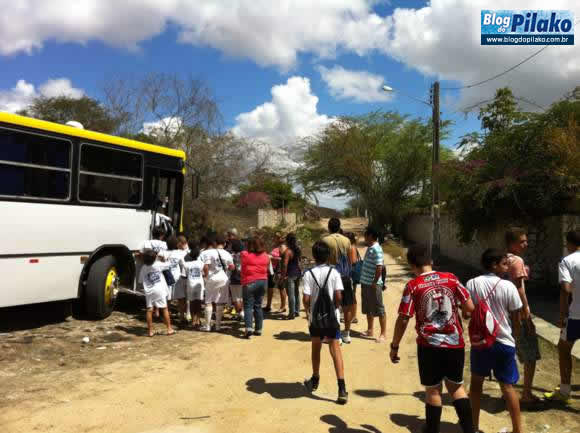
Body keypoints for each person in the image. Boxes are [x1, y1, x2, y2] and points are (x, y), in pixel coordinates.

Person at [390, 244, 475, 433]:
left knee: (433, 390)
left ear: (412, 265)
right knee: (457, 388)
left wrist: (394, 345)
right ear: (431, 260)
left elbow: (403, 318)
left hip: (429, 346)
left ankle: (432, 430)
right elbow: (470, 307)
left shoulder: (413, 286)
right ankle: (470, 430)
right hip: (454, 343)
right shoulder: (451, 278)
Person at [466, 249, 523, 433]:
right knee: (508, 387)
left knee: (476, 385)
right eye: (504, 264)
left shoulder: (472, 283)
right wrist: (516, 337)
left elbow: (466, 312)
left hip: (480, 342)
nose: (507, 267)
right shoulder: (508, 287)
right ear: (494, 265)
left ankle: (474, 427)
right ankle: (518, 430)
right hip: (504, 342)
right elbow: (516, 317)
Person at [303, 241, 348, 405]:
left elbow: (306, 299)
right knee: (335, 349)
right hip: (331, 318)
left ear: (314, 256)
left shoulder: (308, 274)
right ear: (328, 256)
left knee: (316, 347)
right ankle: (341, 388)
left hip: (316, 318)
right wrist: (335, 309)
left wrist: (309, 311)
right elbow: (339, 297)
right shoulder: (334, 273)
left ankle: (315, 379)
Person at [505, 227, 541, 405]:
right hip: (518, 311)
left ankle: (508, 391)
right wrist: (526, 312)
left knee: (509, 351)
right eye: (522, 241)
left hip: (505, 312)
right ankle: (526, 393)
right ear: (513, 243)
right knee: (530, 354)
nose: (526, 244)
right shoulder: (517, 260)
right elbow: (519, 289)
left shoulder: (503, 259)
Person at [545, 230, 580, 403]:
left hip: (575, 316)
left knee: (564, 349)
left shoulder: (567, 261)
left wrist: (562, 316)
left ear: (569, 243)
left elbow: (566, 289)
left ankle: (565, 391)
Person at [322, 218, 356, 344]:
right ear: (339, 227)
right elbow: (351, 260)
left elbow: (322, 259)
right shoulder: (347, 240)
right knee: (347, 307)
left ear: (329, 227)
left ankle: (335, 335)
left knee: (332, 306)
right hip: (345, 277)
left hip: (331, 276)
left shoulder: (325, 240)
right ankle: (346, 333)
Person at [138, 249, 175, 337]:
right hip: (159, 289)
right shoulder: (158, 264)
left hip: (149, 291)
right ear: (154, 258)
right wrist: (164, 258)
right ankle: (169, 329)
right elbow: (169, 264)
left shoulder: (143, 268)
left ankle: (150, 331)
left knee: (149, 310)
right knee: (164, 308)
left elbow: (140, 281)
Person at [360, 226, 387, 342]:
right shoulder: (370, 247)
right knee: (368, 308)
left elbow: (379, 267)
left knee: (379, 309)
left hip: (373, 285)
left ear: (370, 236)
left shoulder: (376, 249)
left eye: (365, 235)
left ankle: (383, 334)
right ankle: (370, 330)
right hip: (366, 283)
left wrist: (375, 282)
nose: (364, 237)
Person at [202, 235, 234, 331]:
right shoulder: (228, 254)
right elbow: (232, 267)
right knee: (220, 302)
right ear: (224, 244)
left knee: (208, 302)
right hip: (224, 279)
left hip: (211, 278)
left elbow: (206, 266)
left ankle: (207, 326)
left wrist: (206, 277)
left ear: (215, 243)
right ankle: (218, 326)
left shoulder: (208, 252)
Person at [241, 237, 270, 338]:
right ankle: (258, 329)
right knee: (258, 305)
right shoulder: (266, 256)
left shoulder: (245, 254)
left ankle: (249, 328)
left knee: (248, 306)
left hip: (250, 282)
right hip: (263, 281)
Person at [180, 242, 205, 329]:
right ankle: (198, 320)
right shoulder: (201, 263)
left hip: (190, 284)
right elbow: (204, 272)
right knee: (198, 303)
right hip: (199, 285)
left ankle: (193, 321)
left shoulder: (187, 264)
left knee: (191, 303)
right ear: (198, 255)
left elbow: (183, 274)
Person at [164, 236, 189, 323]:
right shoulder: (180, 253)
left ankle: (166, 317)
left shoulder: (163, 252)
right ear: (176, 244)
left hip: (166, 278)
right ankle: (182, 317)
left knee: (167, 298)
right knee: (181, 298)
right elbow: (184, 265)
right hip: (178, 278)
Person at [280, 232, 302, 319]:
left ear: (287, 241)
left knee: (291, 294)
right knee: (296, 292)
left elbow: (284, 265)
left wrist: (283, 276)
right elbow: (299, 262)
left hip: (290, 274)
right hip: (297, 273)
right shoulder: (297, 250)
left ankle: (291, 313)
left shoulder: (287, 251)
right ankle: (297, 311)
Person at [265, 233, 287, 313]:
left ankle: (283, 306)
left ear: (281, 239)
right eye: (274, 237)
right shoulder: (275, 247)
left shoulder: (283, 247)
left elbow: (283, 259)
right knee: (270, 287)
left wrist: (272, 257)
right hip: (272, 269)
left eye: (276, 238)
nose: (274, 239)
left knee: (281, 287)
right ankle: (268, 306)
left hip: (279, 270)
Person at [345, 232, 361, 326]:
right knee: (351, 295)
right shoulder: (352, 247)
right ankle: (352, 315)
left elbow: (353, 261)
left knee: (352, 296)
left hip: (351, 275)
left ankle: (354, 316)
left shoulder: (352, 248)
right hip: (351, 274)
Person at [229, 239, 245, 321]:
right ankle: (243, 313)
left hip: (234, 278)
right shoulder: (245, 255)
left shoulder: (231, 256)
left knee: (235, 298)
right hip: (244, 278)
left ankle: (240, 314)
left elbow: (230, 267)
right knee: (242, 297)